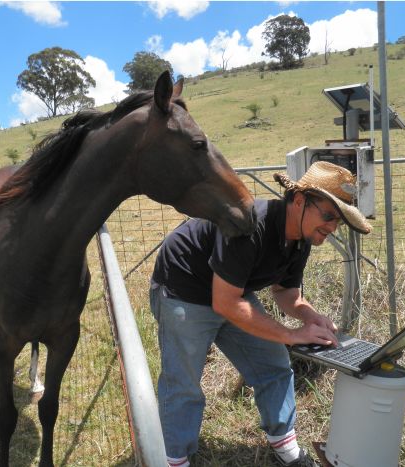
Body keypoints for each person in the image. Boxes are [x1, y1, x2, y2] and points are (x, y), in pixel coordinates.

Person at [149, 161, 372, 467]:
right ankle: (176, 458)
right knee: (183, 382)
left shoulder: (302, 238)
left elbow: (286, 294)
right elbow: (226, 304)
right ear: (298, 201)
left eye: (339, 221)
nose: (332, 227)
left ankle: (284, 442)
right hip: (184, 285)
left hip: (231, 291)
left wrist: (310, 316)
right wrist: (292, 336)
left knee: (274, 364)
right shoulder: (249, 224)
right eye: (329, 215)